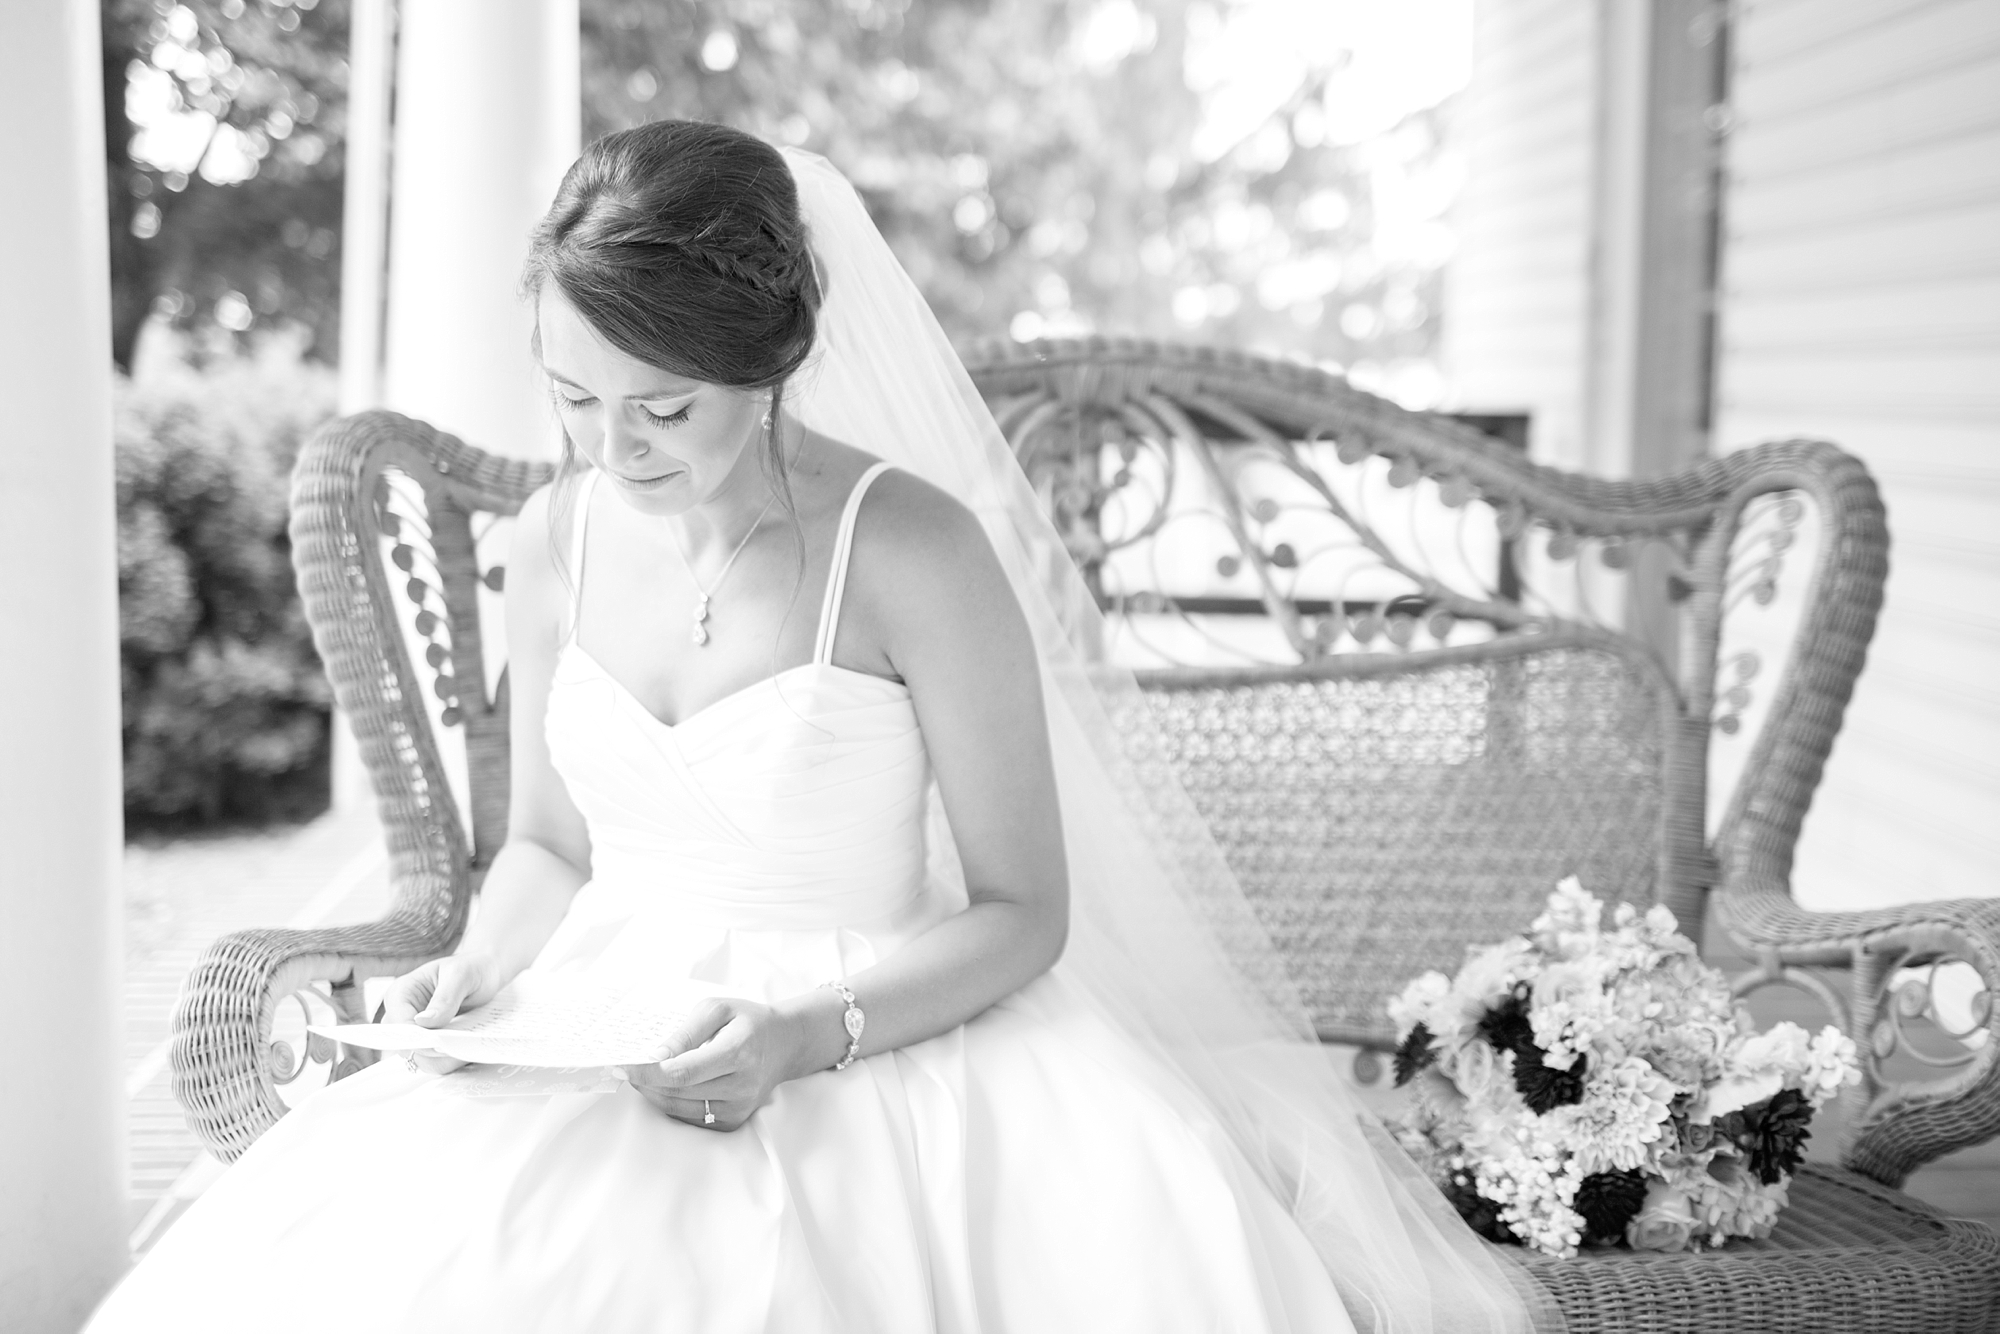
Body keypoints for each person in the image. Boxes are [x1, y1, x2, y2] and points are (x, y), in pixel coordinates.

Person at [86, 122, 1549, 1334]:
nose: (613, 449)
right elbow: (543, 840)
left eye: (661, 406)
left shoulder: (914, 551)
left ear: (772, 363)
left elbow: (1024, 909)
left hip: (891, 1029)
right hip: (603, 1021)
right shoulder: (550, 540)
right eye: (574, 397)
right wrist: (470, 975)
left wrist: (805, 1035)